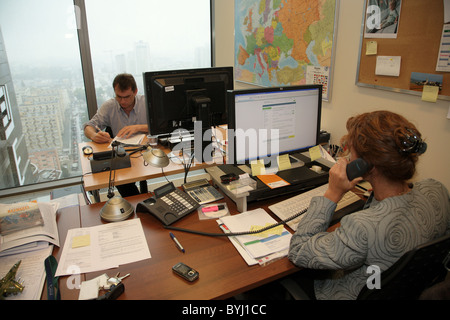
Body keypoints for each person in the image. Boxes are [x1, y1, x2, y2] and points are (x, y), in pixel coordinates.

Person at [287, 110, 450, 300]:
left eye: (350, 152)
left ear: (365, 165)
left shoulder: (362, 227)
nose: (347, 156)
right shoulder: (436, 189)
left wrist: (332, 193)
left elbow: (298, 251)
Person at [84, 73, 149, 197]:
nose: (123, 101)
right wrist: (94, 135)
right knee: (121, 181)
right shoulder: (110, 106)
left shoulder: (146, 102)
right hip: (122, 155)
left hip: (146, 153)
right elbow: (89, 126)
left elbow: (162, 126)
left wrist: (138, 128)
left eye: (127, 97)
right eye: (119, 97)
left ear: (135, 91)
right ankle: (139, 205)